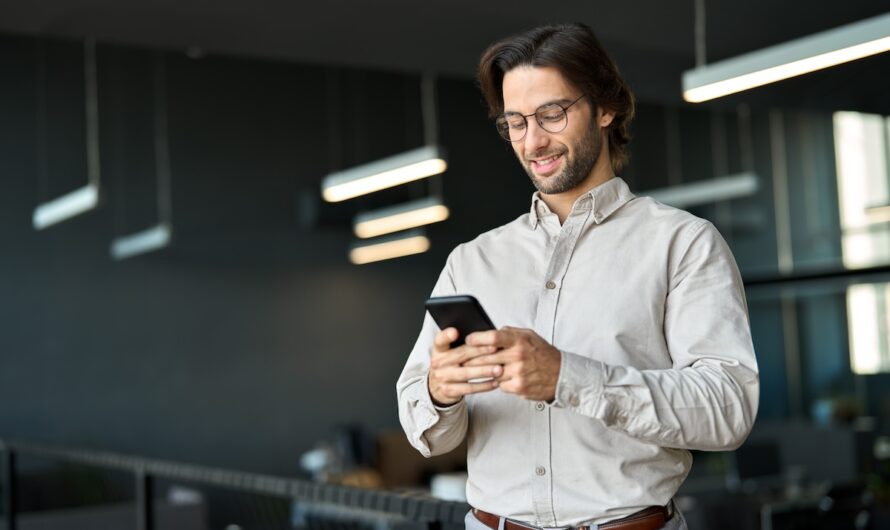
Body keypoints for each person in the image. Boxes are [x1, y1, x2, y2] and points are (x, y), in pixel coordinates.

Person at [396, 22, 759, 530]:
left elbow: (728, 408)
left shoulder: (683, 244)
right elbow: (429, 433)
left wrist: (569, 378)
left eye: (552, 113)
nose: (533, 141)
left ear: (606, 106)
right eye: (515, 122)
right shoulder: (471, 261)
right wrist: (439, 391)